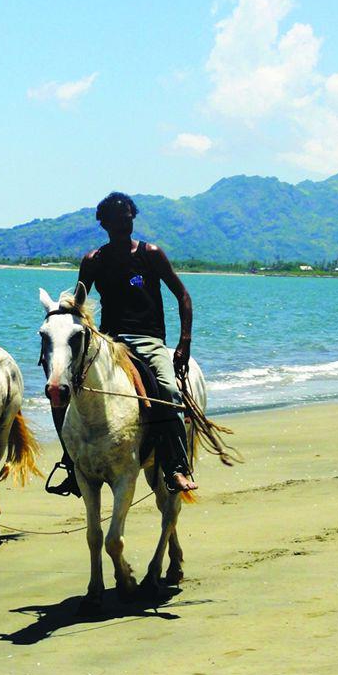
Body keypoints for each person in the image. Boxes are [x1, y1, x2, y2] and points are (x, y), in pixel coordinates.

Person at [46, 191, 198, 496]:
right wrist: (57, 317)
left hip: (149, 340)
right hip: (110, 341)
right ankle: (72, 460)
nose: (123, 223)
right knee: (63, 390)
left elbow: (182, 295)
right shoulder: (93, 261)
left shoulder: (150, 254)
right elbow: (78, 304)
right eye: (116, 219)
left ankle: (177, 465)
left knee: (167, 389)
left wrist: (184, 343)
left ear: (133, 218)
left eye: (127, 217)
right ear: (104, 224)